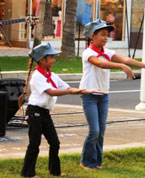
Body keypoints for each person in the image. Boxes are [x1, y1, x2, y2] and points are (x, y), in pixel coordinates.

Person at [79, 19, 145, 169]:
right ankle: (86, 161)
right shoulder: (88, 53)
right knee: (94, 130)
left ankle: (96, 161)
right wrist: (121, 66)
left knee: (101, 130)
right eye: (102, 34)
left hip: (103, 95)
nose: (105, 38)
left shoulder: (107, 52)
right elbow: (101, 64)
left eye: (107, 35)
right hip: (89, 95)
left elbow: (125, 59)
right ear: (92, 36)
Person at [20, 42, 99, 177]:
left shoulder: (52, 75)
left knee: (55, 143)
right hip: (34, 112)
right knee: (34, 144)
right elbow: (51, 92)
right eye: (51, 57)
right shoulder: (37, 77)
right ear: (42, 59)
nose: (54, 60)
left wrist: (86, 91)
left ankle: (55, 171)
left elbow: (68, 88)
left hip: (44, 113)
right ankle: (28, 173)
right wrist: (68, 92)